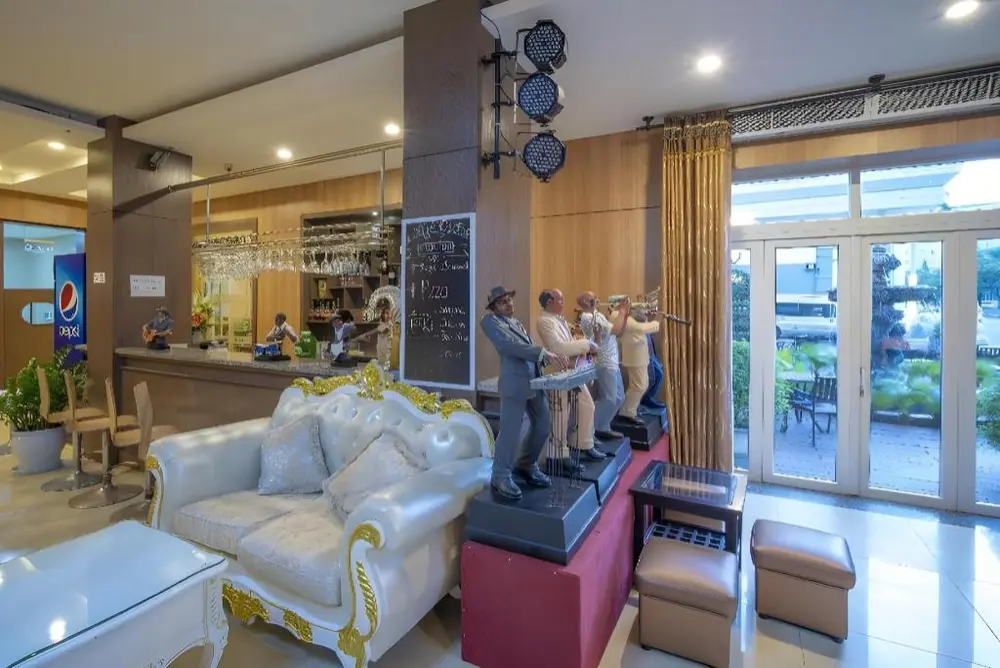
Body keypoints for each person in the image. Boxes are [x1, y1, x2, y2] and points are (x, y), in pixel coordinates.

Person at [480, 285, 559, 501]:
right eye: (502, 302)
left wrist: (542, 361)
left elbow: (525, 350)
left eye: (509, 300)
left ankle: (526, 464)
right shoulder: (489, 322)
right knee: (510, 432)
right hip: (514, 384)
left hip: (533, 381)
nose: (508, 304)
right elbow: (507, 346)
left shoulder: (516, 322)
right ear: (494, 307)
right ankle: (500, 475)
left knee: (543, 425)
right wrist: (541, 353)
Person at [536, 289, 606, 462]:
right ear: (550, 302)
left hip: (570, 371)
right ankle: (558, 455)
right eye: (560, 301)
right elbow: (557, 347)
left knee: (587, 405)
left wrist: (584, 345)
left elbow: (568, 343)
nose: (563, 304)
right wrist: (587, 344)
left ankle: (583, 444)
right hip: (556, 373)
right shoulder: (544, 321)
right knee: (560, 414)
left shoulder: (558, 319)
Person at [577, 291, 626, 439]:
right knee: (610, 399)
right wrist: (622, 311)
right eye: (593, 298)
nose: (597, 299)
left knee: (619, 398)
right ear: (585, 303)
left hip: (612, 361)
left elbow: (619, 332)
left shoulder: (597, 315)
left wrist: (625, 315)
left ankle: (601, 426)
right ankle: (588, 428)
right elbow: (615, 330)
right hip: (604, 362)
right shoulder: (589, 317)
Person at [619, 305, 665, 425]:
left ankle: (629, 409)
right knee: (638, 386)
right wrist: (657, 319)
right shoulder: (626, 319)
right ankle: (627, 412)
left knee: (642, 385)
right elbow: (642, 328)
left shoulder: (630, 319)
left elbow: (642, 326)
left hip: (640, 357)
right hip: (634, 358)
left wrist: (649, 318)